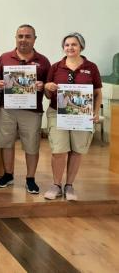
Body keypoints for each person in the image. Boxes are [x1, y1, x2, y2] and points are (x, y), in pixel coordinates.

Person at [43, 33, 102, 201]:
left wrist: (96, 112)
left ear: (81, 47)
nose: (70, 47)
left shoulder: (91, 67)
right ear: (63, 47)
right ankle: (56, 185)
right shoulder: (56, 67)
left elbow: (97, 93)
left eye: (74, 44)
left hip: (82, 115)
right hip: (57, 113)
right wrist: (48, 86)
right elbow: (47, 94)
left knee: (77, 151)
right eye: (67, 45)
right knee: (58, 150)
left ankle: (69, 185)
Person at [0, 24, 51, 194]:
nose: (23, 40)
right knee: (6, 143)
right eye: (20, 36)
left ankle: (30, 178)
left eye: (27, 36)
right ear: (16, 38)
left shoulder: (44, 61)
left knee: (31, 145)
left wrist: (43, 86)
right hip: (7, 108)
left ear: (34, 39)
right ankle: (8, 174)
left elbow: (49, 89)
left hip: (32, 111)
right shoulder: (4, 58)